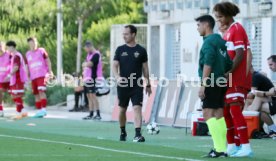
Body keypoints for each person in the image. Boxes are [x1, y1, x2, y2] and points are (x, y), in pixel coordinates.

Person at [214, 2, 253, 157]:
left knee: (235, 110)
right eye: (217, 17)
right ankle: (231, 145)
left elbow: (240, 54)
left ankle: (246, 147)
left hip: (236, 78)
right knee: (225, 112)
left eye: (221, 16)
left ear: (229, 15)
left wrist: (229, 72)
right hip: (227, 79)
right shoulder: (228, 31)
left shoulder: (237, 29)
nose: (219, 20)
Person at [196, 15, 232, 158]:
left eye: (198, 25)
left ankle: (218, 149)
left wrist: (203, 85)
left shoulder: (209, 42)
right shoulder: (220, 41)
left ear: (206, 25)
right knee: (218, 114)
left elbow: (208, 63)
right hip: (221, 81)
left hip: (211, 82)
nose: (197, 28)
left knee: (207, 114)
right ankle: (222, 149)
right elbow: (229, 63)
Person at [112, 25, 152, 142]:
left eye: (126, 34)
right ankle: (123, 131)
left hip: (137, 85)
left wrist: (148, 84)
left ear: (133, 34)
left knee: (137, 108)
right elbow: (114, 65)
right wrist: (117, 77)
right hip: (123, 85)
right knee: (122, 110)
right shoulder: (120, 50)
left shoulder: (141, 50)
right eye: (123, 34)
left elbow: (145, 69)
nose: (124, 36)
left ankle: (137, 134)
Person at [26, 37, 53, 118]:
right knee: (36, 94)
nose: (33, 44)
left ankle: (44, 109)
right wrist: (27, 76)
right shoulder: (27, 54)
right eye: (31, 43)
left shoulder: (41, 50)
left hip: (42, 75)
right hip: (33, 77)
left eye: (34, 42)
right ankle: (39, 111)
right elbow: (27, 66)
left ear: (36, 42)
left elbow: (47, 60)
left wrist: (50, 71)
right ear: (29, 44)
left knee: (41, 91)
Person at [5, 41, 28, 120]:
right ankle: (23, 111)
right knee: (14, 95)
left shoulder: (16, 56)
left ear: (12, 47)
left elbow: (16, 67)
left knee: (17, 95)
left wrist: (9, 75)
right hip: (15, 79)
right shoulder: (14, 56)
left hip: (18, 78)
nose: (7, 49)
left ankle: (19, 112)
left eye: (8, 48)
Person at [82, 41, 102, 120]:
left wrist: (85, 64)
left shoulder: (96, 54)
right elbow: (86, 64)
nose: (86, 51)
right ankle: (91, 113)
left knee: (93, 95)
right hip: (86, 78)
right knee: (88, 96)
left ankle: (98, 114)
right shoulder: (89, 55)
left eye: (86, 49)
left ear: (90, 47)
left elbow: (90, 64)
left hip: (92, 78)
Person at [0, 41, 10, 117]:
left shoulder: (9, 55)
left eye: (0, 46)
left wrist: (10, 75)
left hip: (10, 78)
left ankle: (20, 109)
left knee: (15, 94)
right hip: (1, 79)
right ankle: (1, 110)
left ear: (4, 47)